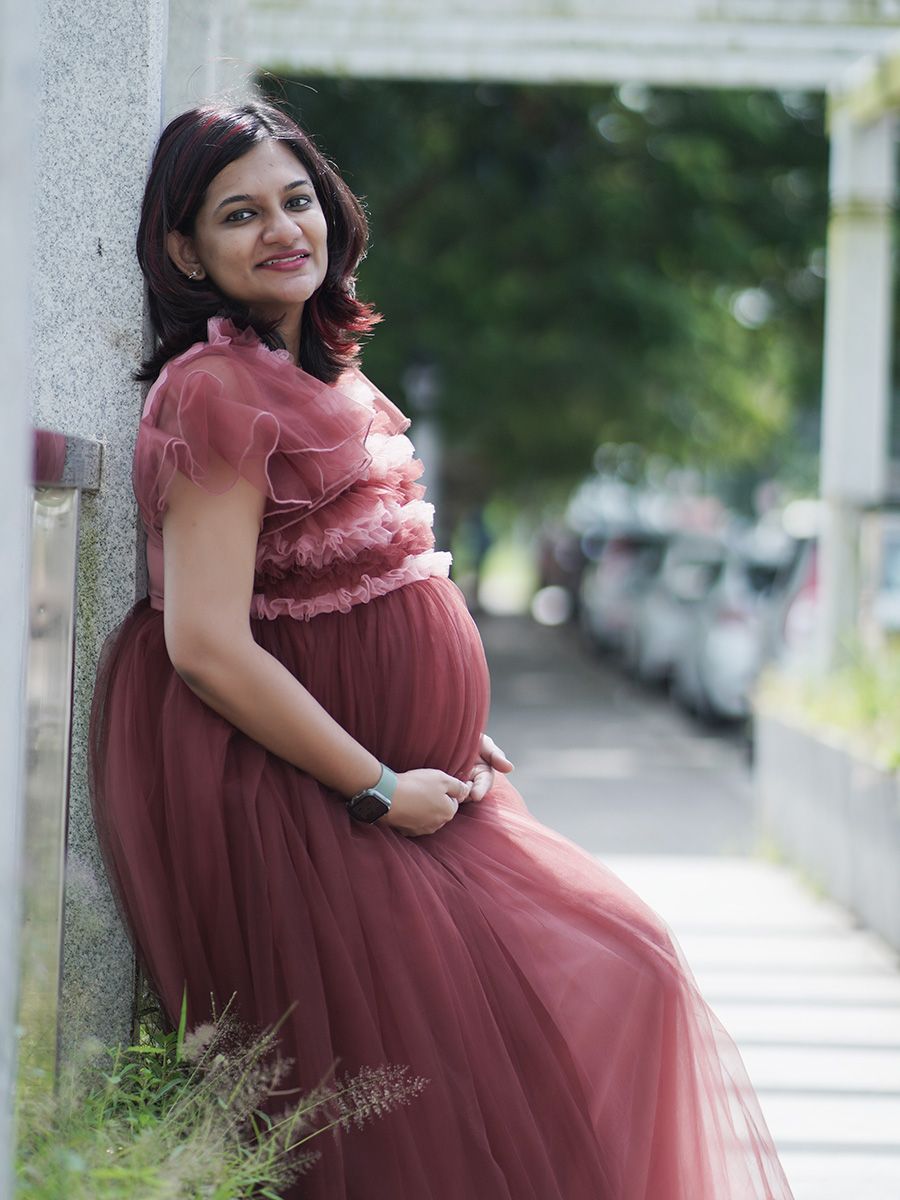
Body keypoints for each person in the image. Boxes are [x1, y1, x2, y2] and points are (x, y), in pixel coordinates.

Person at [89, 99, 794, 1200]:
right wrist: (373, 785)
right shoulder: (216, 389)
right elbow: (207, 645)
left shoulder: (321, 375)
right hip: (311, 798)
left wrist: (463, 723)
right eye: (239, 215)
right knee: (433, 1094)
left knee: (611, 980)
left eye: (297, 199)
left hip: (410, 778)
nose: (283, 229)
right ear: (185, 249)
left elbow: (349, 584)